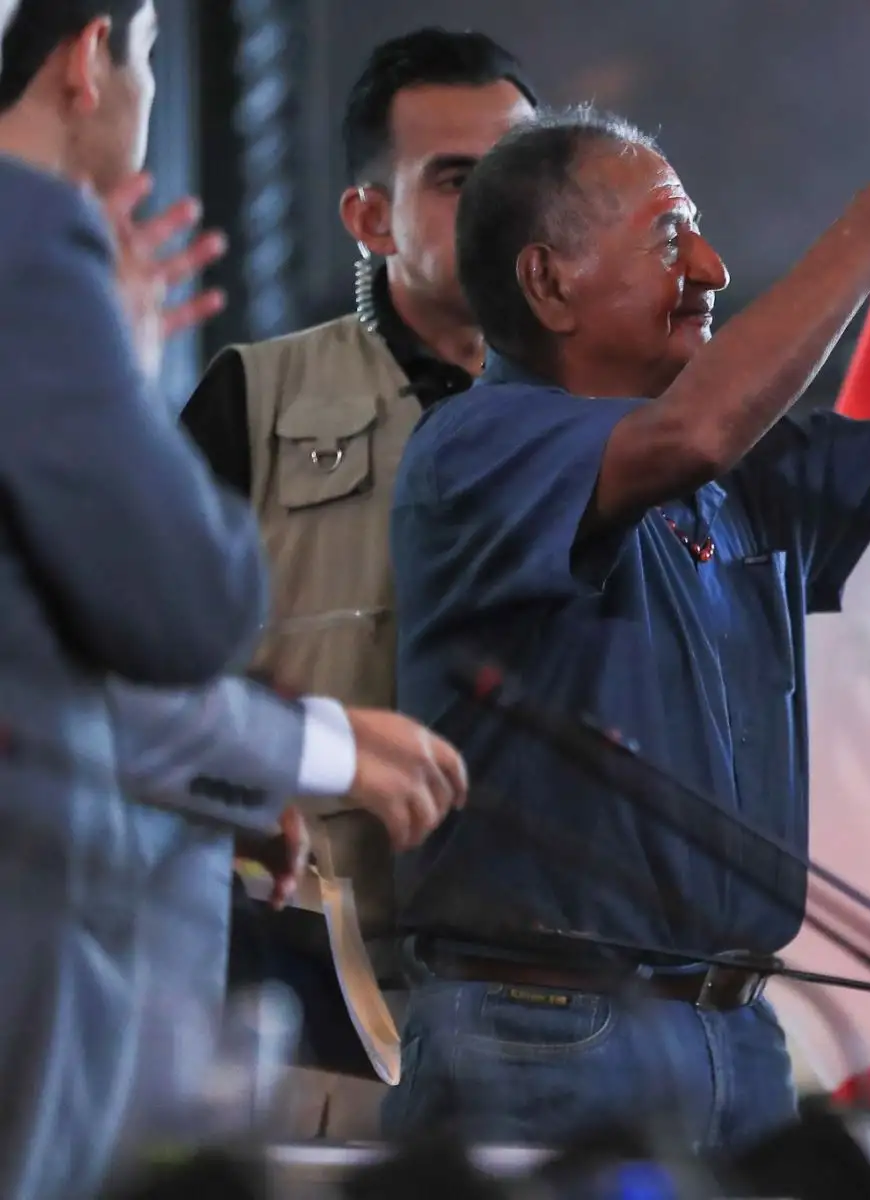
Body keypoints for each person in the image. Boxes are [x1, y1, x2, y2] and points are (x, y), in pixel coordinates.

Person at [380, 105, 870, 1150]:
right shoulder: (475, 446)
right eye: (670, 236)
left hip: (736, 1033)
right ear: (549, 283)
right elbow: (693, 430)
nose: (714, 266)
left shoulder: (733, 469)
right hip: (546, 1035)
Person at [0, 3, 466, 1191]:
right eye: (150, 58)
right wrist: (123, 359)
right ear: (87, 57)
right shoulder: (30, 238)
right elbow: (188, 608)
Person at [179, 26, 536, 1135]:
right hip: (326, 1013)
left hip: (566, 1012)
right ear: (369, 217)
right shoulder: (254, 402)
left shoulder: (629, 417)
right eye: (458, 182)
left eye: (525, 174)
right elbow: (152, 687)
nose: (506, 210)